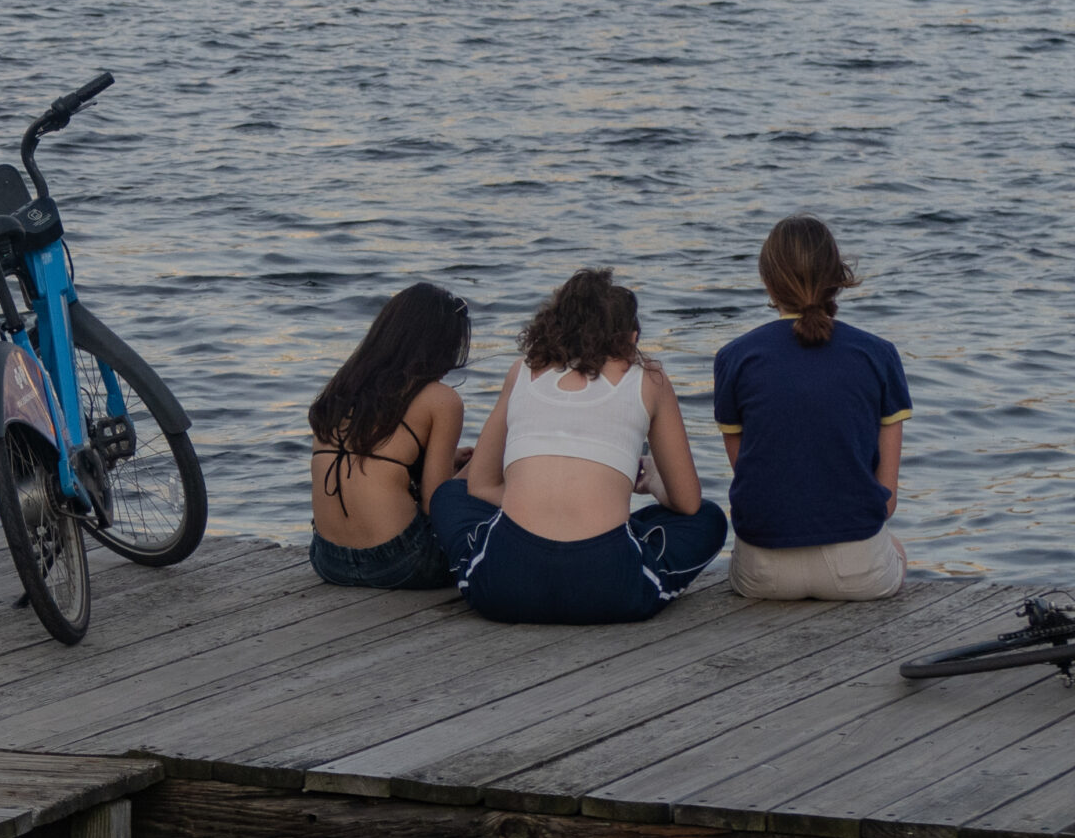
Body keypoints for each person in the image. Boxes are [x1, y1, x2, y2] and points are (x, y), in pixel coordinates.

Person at [430, 269, 726, 624]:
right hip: (608, 589)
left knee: (449, 495)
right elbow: (688, 502)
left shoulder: (523, 370)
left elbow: (479, 485)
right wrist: (652, 482)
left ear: (554, 325)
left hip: (506, 588)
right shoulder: (649, 378)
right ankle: (616, 539)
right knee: (708, 519)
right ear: (631, 337)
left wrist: (537, 505)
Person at [713, 216, 910, 601]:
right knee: (897, 547)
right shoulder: (879, 355)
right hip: (859, 572)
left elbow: (752, 477)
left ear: (768, 281)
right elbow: (886, 502)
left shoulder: (734, 358)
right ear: (838, 277)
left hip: (762, 575)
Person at [307, 283, 472, 589]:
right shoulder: (441, 399)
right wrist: (474, 470)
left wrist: (448, 461)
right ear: (437, 347)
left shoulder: (341, 387)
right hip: (401, 563)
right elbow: (435, 505)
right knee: (492, 474)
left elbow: (375, 462)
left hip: (327, 560)